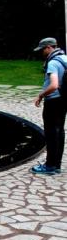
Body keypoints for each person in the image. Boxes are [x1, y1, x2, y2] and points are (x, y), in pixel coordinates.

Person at [33, 37, 67, 175]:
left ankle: (49, 166)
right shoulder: (64, 58)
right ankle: (56, 164)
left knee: (51, 133)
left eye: (42, 49)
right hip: (64, 99)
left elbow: (54, 85)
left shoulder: (53, 62)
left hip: (53, 101)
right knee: (60, 132)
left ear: (48, 47)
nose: (41, 52)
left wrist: (41, 95)